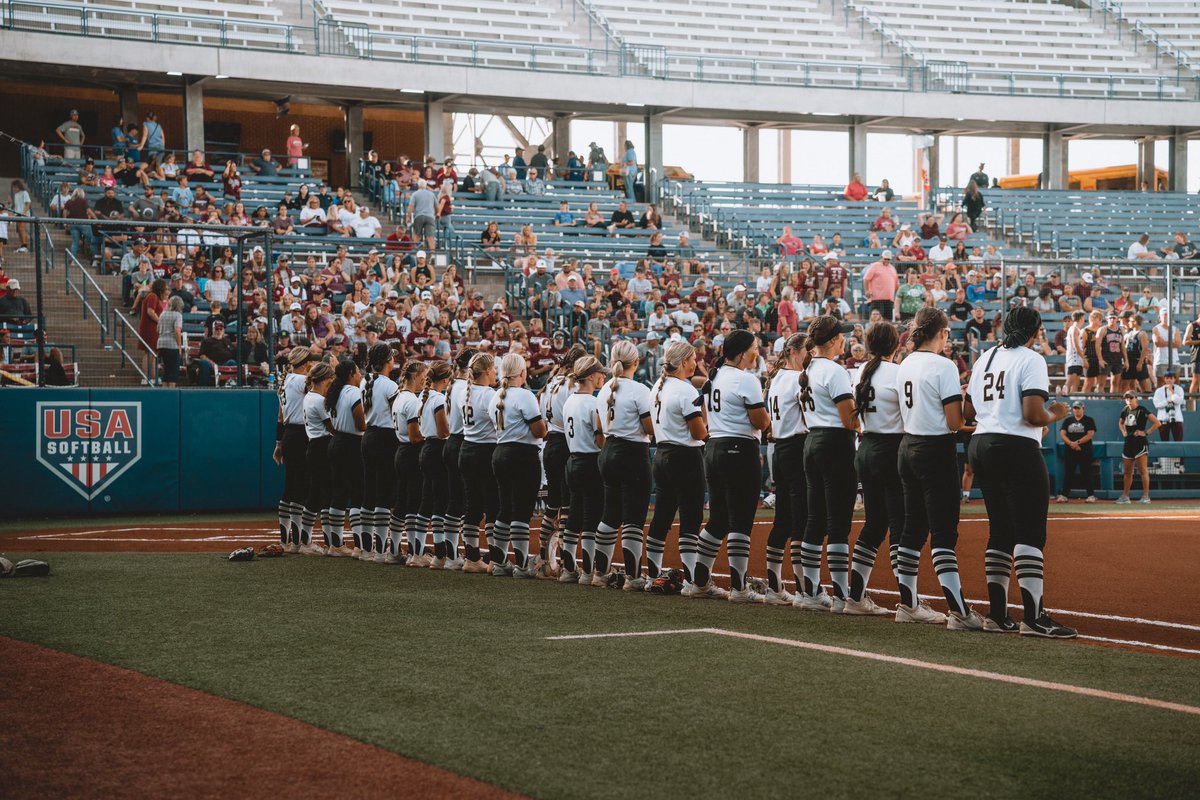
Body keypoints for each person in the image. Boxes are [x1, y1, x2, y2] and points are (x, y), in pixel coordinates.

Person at [965, 306, 1075, 637]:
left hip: (981, 443)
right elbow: (1033, 415)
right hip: (1014, 446)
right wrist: (1055, 413)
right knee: (1030, 533)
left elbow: (969, 410)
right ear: (1036, 331)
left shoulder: (985, 358)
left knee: (1000, 531)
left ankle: (997, 615)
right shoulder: (1031, 359)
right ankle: (1034, 617)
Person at [894, 307, 982, 630]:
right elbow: (954, 422)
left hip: (907, 447)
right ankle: (959, 611)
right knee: (943, 532)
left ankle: (908, 604)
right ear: (943, 333)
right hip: (935, 450)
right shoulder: (944, 365)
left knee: (913, 529)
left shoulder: (904, 363)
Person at [691, 330, 770, 602]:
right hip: (739, 449)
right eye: (754, 347)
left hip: (714, 447)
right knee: (740, 520)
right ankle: (739, 587)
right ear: (742, 353)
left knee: (719, 519)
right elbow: (761, 422)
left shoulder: (715, 377)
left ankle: (699, 580)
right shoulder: (745, 379)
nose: (756, 352)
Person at [789, 317, 859, 611]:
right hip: (835, 443)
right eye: (841, 336)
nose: (844, 340)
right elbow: (849, 420)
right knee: (839, 523)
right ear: (832, 340)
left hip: (812, 442)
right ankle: (841, 595)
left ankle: (811, 592)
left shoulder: (809, 370)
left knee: (815, 519)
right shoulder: (834, 370)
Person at [641, 340, 708, 591]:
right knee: (691, 518)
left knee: (661, 517)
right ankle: (692, 581)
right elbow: (699, 432)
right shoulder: (685, 389)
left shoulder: (657, 387)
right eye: (693, 359)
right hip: (685, 456)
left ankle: (653, 575)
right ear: (683, 362)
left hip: (662, 455)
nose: (695, 362)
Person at [848, 322, 905, 615]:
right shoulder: (897, 372)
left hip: (866, 447)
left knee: (874, 524)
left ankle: (855, 596)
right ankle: (909, 601)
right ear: (895, 345)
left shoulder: (862, 371)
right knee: (899, 526)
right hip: (890, 450)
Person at [593, 340, 654, 590]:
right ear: (636, 362)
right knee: (633, 518)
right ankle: (633, 576)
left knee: (610, 514)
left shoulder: (604, 389)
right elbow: (649, 428)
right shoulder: (639, 390)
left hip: (608, 450)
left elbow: (599, 427)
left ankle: (600, 572)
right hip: (632, 453)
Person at [488, 353, 548, 577]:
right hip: (523, 455)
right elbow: (539, 431)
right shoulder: (524, 395)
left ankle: (500, 562)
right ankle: (522, 566)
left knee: (504, 508)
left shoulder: (495, 397)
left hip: (500, 452)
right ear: (522, 373)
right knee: (521, 511)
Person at [761, 334, 808, 605]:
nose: (809, 355)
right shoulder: (796, 378)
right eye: (806, 350)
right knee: (801, 519)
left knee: (783, 519)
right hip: (796, 447)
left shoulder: (777, 378)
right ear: (794, 351)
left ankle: (775, 586)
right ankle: (804, 589)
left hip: (780, 449)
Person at [538, 345, 587, 579]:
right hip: (566, 445)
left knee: (553, 503)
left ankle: (543, 559)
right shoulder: (571, 384)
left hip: (551, 444)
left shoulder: (551, 382)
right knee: (568, 506)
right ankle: (568, 565)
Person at [561, 355, 609, 583]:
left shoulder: (569, 400)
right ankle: (588, 572)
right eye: (600, 373)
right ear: (591, 376)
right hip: (590, 462)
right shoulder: (593, 403)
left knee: (574, 515)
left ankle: (568, 569)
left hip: (572, 460)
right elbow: (600, 441)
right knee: (591, 517)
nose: (603, 377)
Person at [459, 353, 500, 573]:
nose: (496, 372)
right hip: (485, 451)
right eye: (493, 369)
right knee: (493, 505)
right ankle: (494, 558)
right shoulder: (489, 394)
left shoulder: (464, 391)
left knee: (472, 505)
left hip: (467, 449)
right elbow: (499, 425)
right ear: (485, 371)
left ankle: (472, 557)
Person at [274, 347, 317, 553]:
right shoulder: (301, 381)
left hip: (289, 435)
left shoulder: (284, 382)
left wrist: (278, 443)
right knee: (302, 487)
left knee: (290, 486)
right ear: (306, 363)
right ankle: (299, 542)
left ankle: (286, 540)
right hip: (301, 435)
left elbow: (280, 417)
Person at [360, 343, 398, 561]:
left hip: (368, 436)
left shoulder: (365, 380)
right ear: (387, 360)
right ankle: (382, 550)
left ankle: (367, 549)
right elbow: (397, 413)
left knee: (369, 491)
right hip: (385, 437)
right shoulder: (389, 385)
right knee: (383, 492)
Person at [326, 359, 366, 557]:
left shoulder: (335, 391)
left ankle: (336, 544)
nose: (360, 375)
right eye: (358, 372)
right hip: (352, 444)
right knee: (357, 493)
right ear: (351, 373)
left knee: (339, 493)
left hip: (337, 441)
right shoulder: (353, 392)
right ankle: (359, 545)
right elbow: (361, 424)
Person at [391, 361, 429, 563]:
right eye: (424, 375)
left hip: (401, 450)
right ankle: (416, 553)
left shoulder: (400, 397)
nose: (425, 380)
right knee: (413, 501)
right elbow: (415, 436)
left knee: (402, 501)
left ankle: (394, 550)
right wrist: (430, 435)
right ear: (415, 376)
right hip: (411, 452)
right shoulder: (412, 400)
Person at [417, 362, 454, 568]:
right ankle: (440, 553)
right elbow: (443, 431)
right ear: (445, 380)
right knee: (440, 501)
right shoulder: (439, 398)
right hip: (438, 449)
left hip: (426, 448)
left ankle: (418, 550)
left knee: (427, 499)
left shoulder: (425, 396)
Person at [300, 362, 336, 555]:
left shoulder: (310, 396)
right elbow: (332, 428)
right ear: (325, 379)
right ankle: (315, 542)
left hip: (315, 445)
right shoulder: (318, 400)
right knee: (321, 494)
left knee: (321, 493)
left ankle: (320, 541)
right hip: (321, 445)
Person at [1116, 391, 1160, 504]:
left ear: (1136, 398)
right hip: (1128, 443)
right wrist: (1123, 431)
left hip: (1140, 443)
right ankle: (1125, 496)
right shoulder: (1125, 410)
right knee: (1127, 471)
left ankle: (1146, 496)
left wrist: (1145, 432)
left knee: (1142, 470)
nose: (1128, 400)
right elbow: (1120, 423)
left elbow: (1157, 423)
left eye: (1131, 398)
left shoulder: (1142, 410)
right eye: (1126, 398)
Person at [1057, 401, 1096, 504]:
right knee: (1068, 473)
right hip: (1070, 451)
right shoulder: (1068, 420)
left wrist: (1077, 443)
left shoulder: (1089, 420)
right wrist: (1071, 444)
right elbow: (1063, 434)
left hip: (1085, 451)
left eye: (1078, 408)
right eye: (1074, 408)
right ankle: (1064, 495)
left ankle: (1091, 495)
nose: (1076, 410)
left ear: (1083, 408)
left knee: (1086, 473)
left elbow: (1090, 434)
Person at [156, 295, 184, 388]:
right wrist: (179, 346)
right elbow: (177, 331)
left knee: (166, 372)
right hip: (172, 345)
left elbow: (157, 329)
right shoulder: (178, 315)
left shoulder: (162, 314)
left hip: (161, 344)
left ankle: (164, 393)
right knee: (173, 372)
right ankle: (172, 393)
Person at [1152, 372, 1185, 441]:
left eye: (1171, 378)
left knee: (1178, 441)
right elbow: (1157, 405)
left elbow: (1179, 401)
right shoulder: (1159, 390)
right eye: (1167, 378)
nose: (1169, 380)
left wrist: (1172, 391)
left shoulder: (1179, 389)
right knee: (1164, 441)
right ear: (1164, 379)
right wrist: (1167, 402)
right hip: (1163, 418)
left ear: (1174, 379)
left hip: (1176, 418)